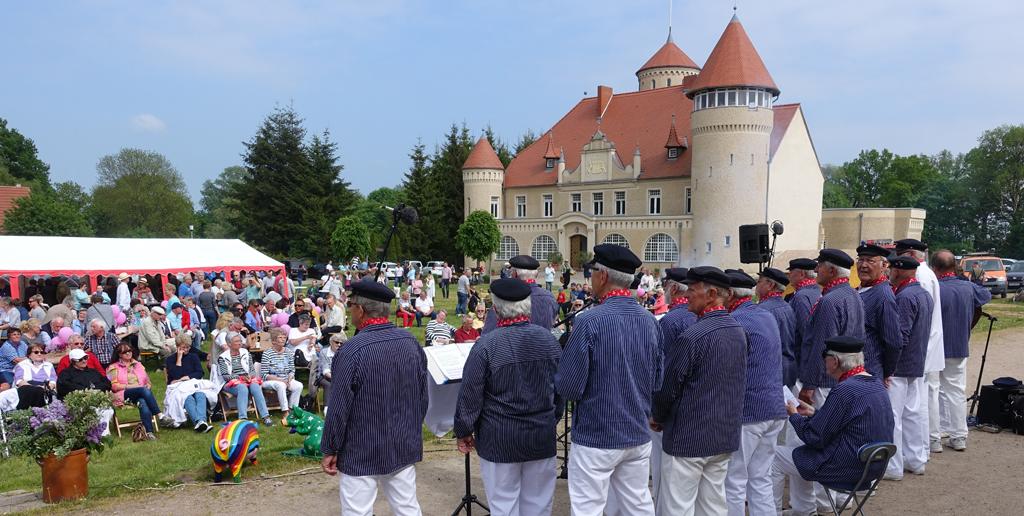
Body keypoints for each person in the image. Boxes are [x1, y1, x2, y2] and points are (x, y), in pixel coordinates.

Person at [556, 244, 662, 515]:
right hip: (636, 431)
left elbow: (569, 386)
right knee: (637, 505)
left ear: (602, 276)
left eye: (592, 273)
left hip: (597, 434)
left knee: (588, 508)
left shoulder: (590, 321)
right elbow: (657, 380)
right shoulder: (650, 321)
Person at [454, 278, 562, 516]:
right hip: (538, 434)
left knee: (504, 506)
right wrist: (551, 418)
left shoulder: (486, 346)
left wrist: (464, 430)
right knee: (539, 505)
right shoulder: (549, 341)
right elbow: (559, 392)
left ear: (495, 309)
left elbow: (470, 395)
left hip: (500, 437)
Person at [320, 278, 428, 515]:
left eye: (351, 306)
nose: (349, 311)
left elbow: (338, 407)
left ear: (360, 309)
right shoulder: (411, 343)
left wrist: (330, 447)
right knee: (407, 508)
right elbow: (422, 397)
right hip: (401, 442)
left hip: (361, 447)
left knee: (358, 511)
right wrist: (410, 429)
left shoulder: (351, 351)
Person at [651, 267, 744, 516]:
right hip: (723, 434)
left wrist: (658, 416)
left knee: (677, 507)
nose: (688, 295)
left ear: (712, 293)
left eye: (692, 290)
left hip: (689, 437)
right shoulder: (737, 330)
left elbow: (669, 386)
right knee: (712, 505)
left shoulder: (693, 336)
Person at [772, 336, 894, 516]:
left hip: (847, 467)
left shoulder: (845, 389)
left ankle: (771, 511)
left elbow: (815, 437)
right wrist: (814, 412)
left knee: (774, 457)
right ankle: (803, 510)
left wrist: (795, 416)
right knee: (798, 451)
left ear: (835, 361)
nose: (824, 363)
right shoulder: (876, 384)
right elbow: (844, 421)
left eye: (825, 358)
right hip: (873, 465)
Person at [721, 270, 786, 516]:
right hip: (773, 407)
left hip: (749, 410)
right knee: (760, 477)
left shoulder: (735, 321)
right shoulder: (765, 315)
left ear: (729, 294)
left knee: (735, 479)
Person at [931, 250, 991, 452]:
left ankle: (935, 436)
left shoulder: (934, 288)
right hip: (959, 344)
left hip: (936, 347)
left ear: (935, 268)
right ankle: (959, 436)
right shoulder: (968, 287)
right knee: (956, 391)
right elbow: (986, 295)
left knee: (934, 391)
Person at [883, 255, 933, 480]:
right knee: (912, 414)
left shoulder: (904, 296)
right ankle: (916, 460)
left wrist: (888, 366)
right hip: (915, 362)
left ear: (900, 271)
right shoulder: (922, 293)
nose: (890, 272)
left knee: (894, 416)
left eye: (892, 268)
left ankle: (894, 466)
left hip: (900, 365)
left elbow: (900, 336)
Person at [894, 238, 945, 456]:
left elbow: (909, 319)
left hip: (916, 347)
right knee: (917, 403)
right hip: (922, 345)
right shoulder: (926, 275)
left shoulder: (920, 277)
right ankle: (920, 451)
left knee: (915, 404)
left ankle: (925, 445)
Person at [799, 249, 865, 407]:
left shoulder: (829, 301)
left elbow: (821, 345)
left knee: (815, 428)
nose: (815, 271)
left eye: (819, 266)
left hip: (825, 382)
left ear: (832, 270)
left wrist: (809, 385)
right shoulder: (854, 294)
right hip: (846, 375)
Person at [107, 343, 174, 440]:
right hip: (122, 395)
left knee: (142, 401)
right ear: (119, 354)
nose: (128, 353)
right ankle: (160, 415)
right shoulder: (113, 367)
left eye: (129, 351)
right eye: (125, 352)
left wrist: (148, 385)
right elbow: (114, 386)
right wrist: (131, 386)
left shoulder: (138, 364)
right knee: (143, 390)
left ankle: (149, 432)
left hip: (140, 393)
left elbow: (148, 381)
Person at [856, 244, 902, 378]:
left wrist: (887, 372)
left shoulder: (883, 296)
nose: (863, 265)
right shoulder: (862, 289)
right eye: (860, 260)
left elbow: (893, 342)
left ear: (884, 265)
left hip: (869, 371)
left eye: (870, 261)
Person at [482, 256, 560, 335]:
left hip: (509, 345)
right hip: (544, 344)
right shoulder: (549, 297)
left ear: (515, 274)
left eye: (511, 272)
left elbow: (487, 334)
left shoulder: (506, 299)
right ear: (536, 274)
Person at [217, 332, 273, 425]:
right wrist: (240, 378)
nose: (240, 343)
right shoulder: (223, 357)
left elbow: (251, 369)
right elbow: (225, 376)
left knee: (255, 386)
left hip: (247, 379)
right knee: (242, 388)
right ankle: (242, 418)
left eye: (240, 341)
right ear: (229, 344)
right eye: (236, 341)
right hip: (230, 383)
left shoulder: (245, 352)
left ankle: (266, 416)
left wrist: (250, 376)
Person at [756, 268, 798, 389]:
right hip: (788, 369)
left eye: (760, 282)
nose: (757, 285)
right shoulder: (787, 306)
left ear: (770, 285)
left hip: (772, 371)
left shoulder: (763, 310)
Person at [164, 334, 215, 432]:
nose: (186, 350)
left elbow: (200, 372)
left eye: (188, 347)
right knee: (187, 398)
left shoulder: (193, 357)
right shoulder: (170, 359)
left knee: (200, 395)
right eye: (183, 348)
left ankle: (201, 421)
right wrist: (179, 359)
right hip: (178, 388)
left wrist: (187, 377)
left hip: (192, 384)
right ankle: (199, 422)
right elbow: (175, 375)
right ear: (177, 347)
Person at [262, 328, 303, 425]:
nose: (283, 339)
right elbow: (264, 374)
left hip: (285, 379)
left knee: (299, 385)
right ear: (274, 341)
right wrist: (281, 380)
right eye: (280, 337)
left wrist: (289, 378)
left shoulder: (288, 352)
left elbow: (292, 370)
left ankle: (293, 410)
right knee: (281, 385)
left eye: (284, 337)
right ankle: (285, 412)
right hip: (271, 380)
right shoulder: (267, 353)